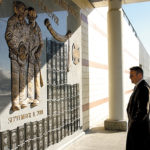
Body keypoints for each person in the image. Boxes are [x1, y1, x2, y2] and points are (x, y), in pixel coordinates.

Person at [5, 1, 29, 111]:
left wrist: (26, 51)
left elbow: (27, 39)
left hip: (24, 56)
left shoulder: (25, 24)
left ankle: (22, 100)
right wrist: (16, 50)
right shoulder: (12, 20)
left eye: (24, 10)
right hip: (15, 54)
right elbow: (8, 36)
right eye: (21, 9)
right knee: (15, 78)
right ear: (16, 10)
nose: (23, 12)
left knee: (22, 78)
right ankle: (15, 102)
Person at [126, 66, 150, 150]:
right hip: (135, 128)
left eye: (132, 75)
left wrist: (133, 125)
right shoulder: (138, 87)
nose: (130, 77)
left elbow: (143, 111)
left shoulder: (144, 88)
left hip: (139, 131)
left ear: (139, 75)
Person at [27, 7, 43, 107]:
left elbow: (41, 43)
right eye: (30, 16)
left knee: (36, 77)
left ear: (35, 17)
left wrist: (38, 52)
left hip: (36, 56)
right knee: (29, 77)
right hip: (28, 55)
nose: (32, 17)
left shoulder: (38, 29)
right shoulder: (26, 27)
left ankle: (37, 98)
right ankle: (30, 97)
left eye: (33, 16)